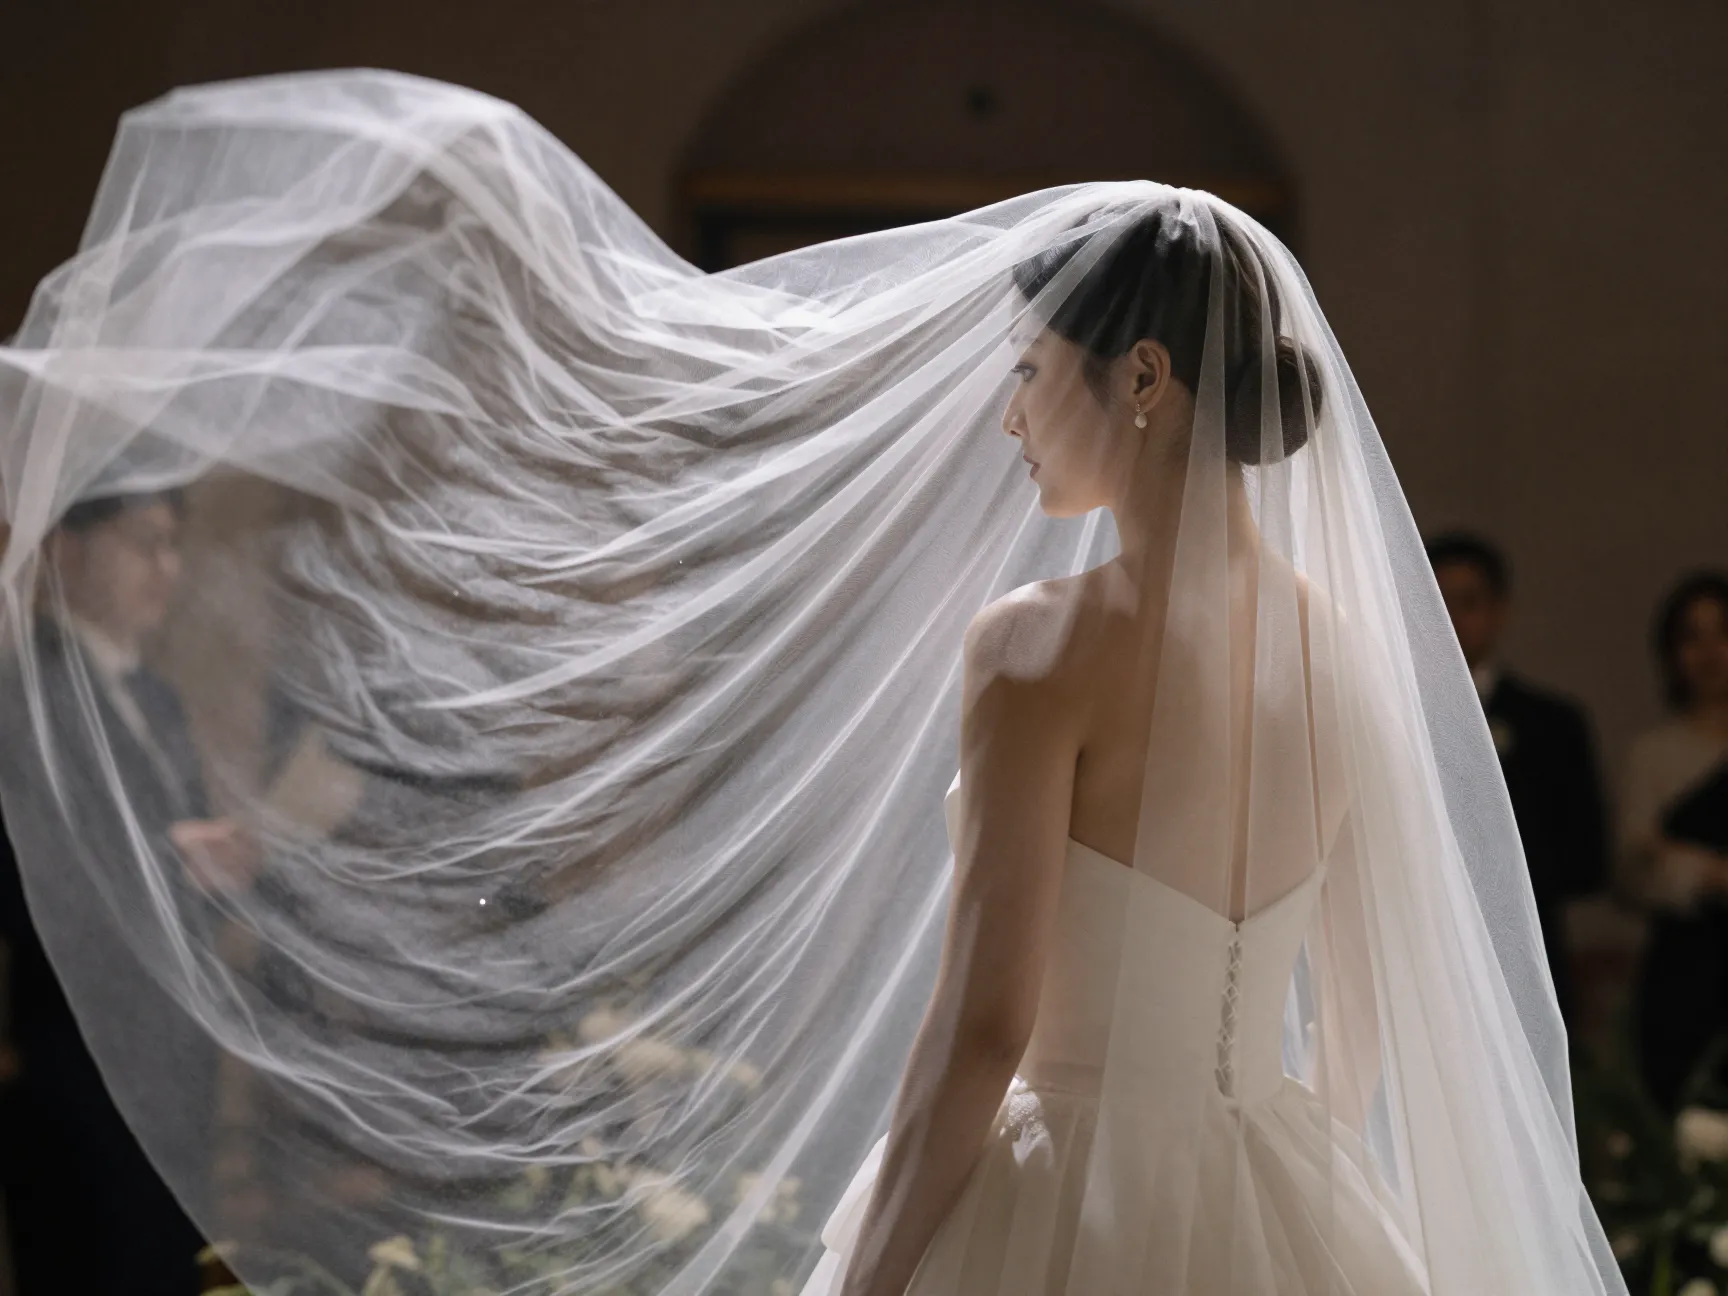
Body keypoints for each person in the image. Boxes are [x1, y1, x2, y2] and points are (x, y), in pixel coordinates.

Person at [0, 71, 1623, 1296]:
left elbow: (981, 1028)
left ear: (1136, 380)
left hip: (1059, 1204)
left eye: (1025, 374)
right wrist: (1261, 1172)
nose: (1002, 415)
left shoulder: (1040, 642)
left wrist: (862, 1279)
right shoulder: (1335, 646)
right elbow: (1346, 1017)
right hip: (1295, 1199)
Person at [0, 490, 249, 1296]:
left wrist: (226, 866)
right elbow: (21, 884)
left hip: (176, 1069)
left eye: (175, 546)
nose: (166, 568)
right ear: (69, 550)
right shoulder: (20, 695)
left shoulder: (158, 698)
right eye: (144, 542)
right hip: (81, 1079)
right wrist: (161, 859)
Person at [1426, 532, 1609, 1025]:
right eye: (1436, 600)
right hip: (1422, 951)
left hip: (1527, 958)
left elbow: (1588, 858)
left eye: (1469, 602)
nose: (1453, 618)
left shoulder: (1551, 722)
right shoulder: (1390, 711)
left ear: (1499, 610)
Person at [1619, 572, 1728, 1111]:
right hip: (1686, 974)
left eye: (1722, 633)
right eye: (1692, 636)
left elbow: (1656, 851)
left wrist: (1676, 854)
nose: (1710, 652)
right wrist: (1710, 876)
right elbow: (1633, 870)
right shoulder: (1654, 753)